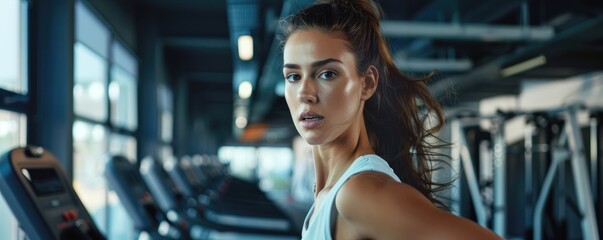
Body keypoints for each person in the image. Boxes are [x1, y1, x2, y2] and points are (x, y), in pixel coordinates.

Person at [280, 0, 503, 239]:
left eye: (327, 74)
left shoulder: (358, 193)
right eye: (293, 76)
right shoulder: (330, 193)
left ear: (367, 84)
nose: (304, 93)